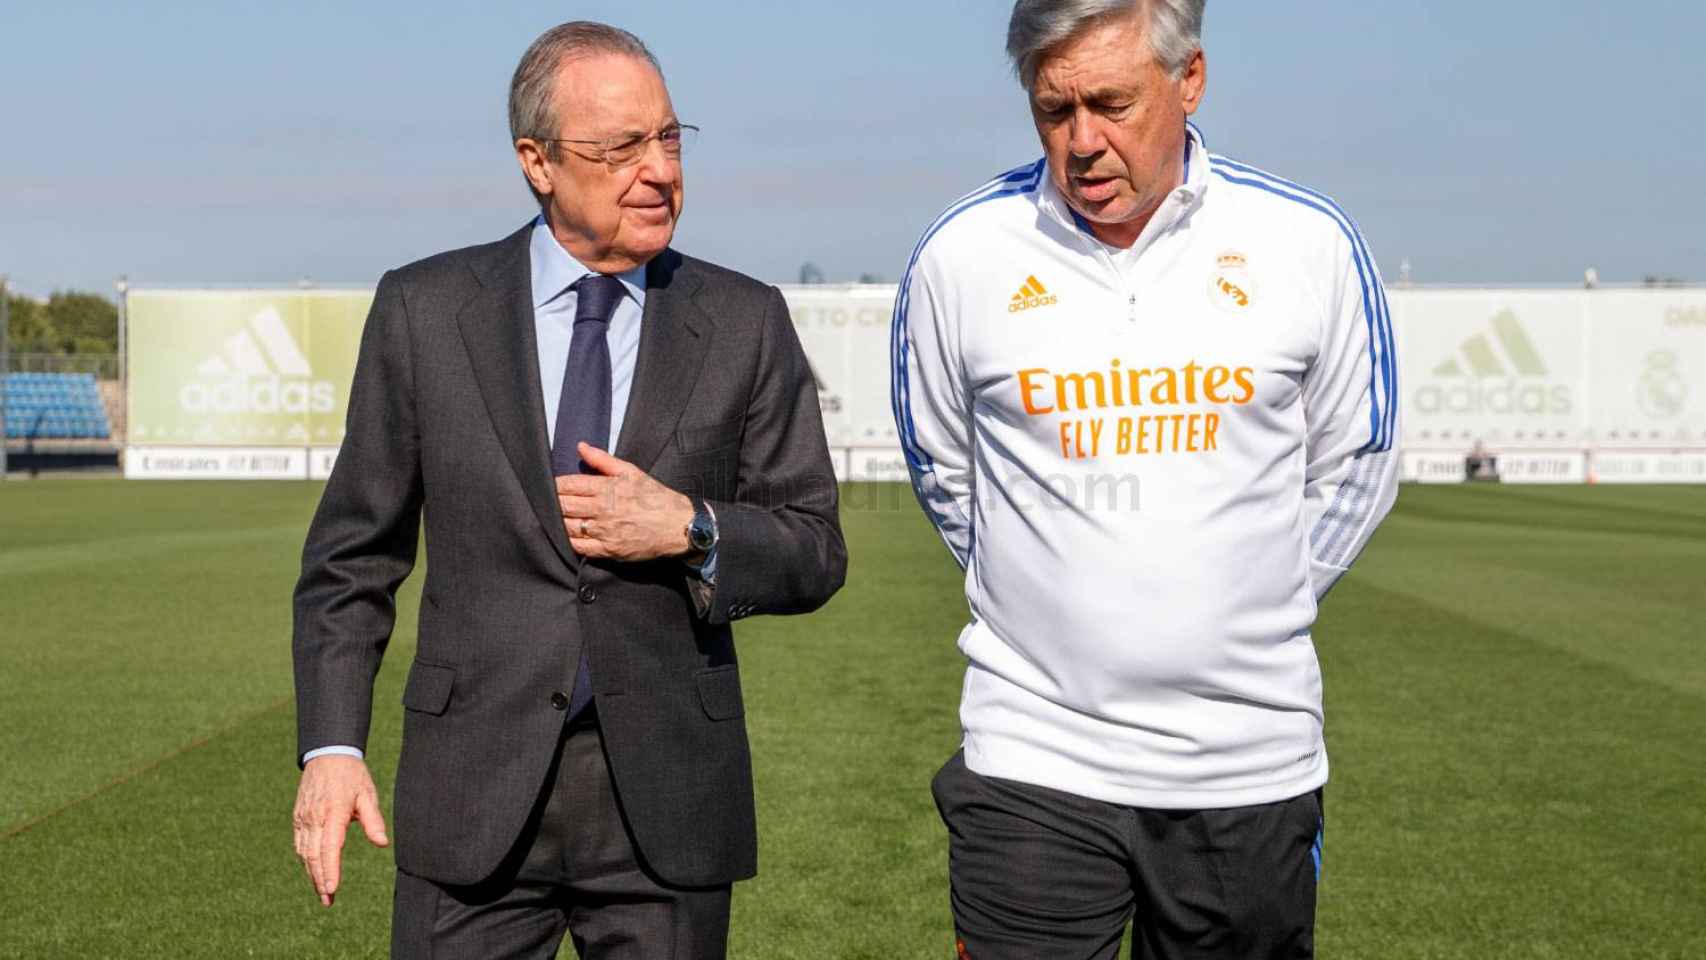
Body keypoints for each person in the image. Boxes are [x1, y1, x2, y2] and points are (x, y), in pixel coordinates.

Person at [290, 21, 845, 959]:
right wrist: (332, 750)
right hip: (470, 795)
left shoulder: (745, 320)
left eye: (668, 138)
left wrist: (692, 528)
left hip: (668, 806)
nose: (659, 170)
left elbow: (815, 547)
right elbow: (353, 557)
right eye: (620, 147)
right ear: (537, 162)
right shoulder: (425, 311)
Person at [892, 1, 1398, 956]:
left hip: (1247, 765)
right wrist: (1051, 595)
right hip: (1031, 754)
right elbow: (941, 468)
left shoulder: (1307, 242)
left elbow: (1359, 465)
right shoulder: (961, 253)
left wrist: (1246, 599)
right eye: (1054, 109)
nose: (1082, 141)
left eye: (1112, 103)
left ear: (1190, 80)